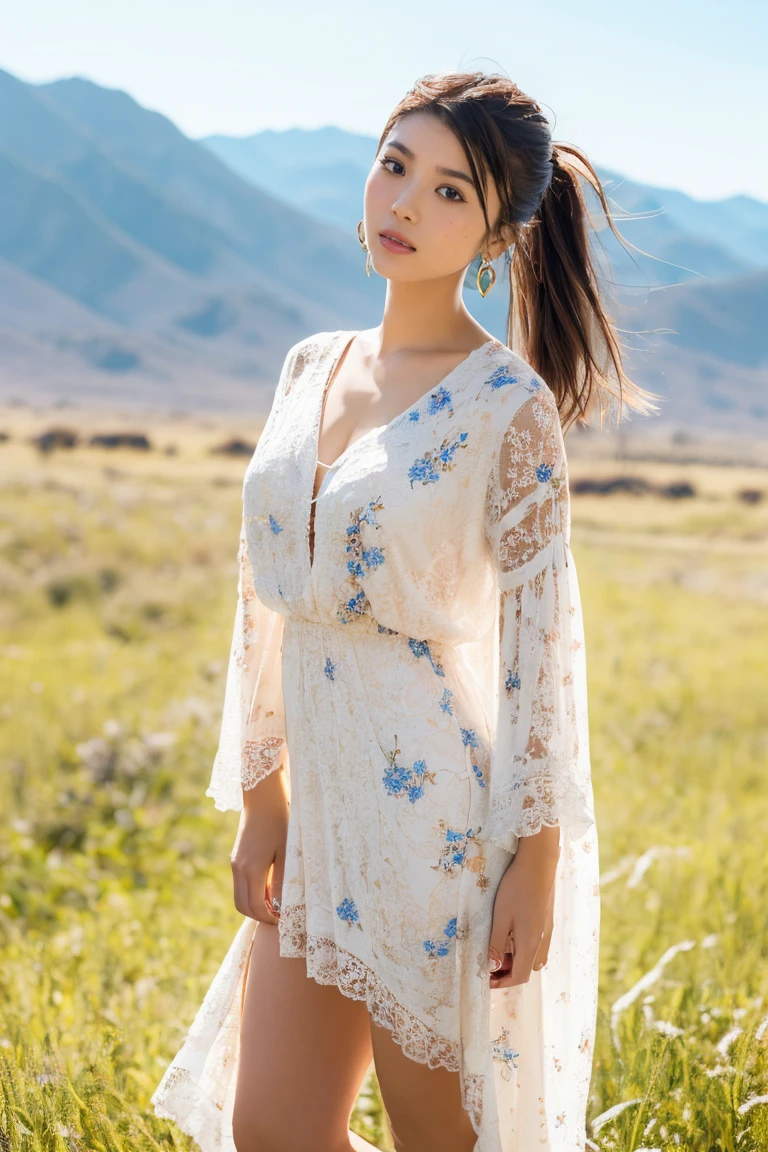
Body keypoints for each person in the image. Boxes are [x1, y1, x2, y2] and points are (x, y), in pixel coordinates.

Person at [151, 70, 659, 1152]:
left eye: (449, 192)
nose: (404, 206)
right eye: (394, 167)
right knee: (274, 1132)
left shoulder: (506, 406)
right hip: (319, 811)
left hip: (435, 819)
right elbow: (262, 590)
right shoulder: (308, 366)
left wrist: (539, 858)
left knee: (442, 1141)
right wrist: (262, 793)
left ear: (493, 235)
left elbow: (542, 654)